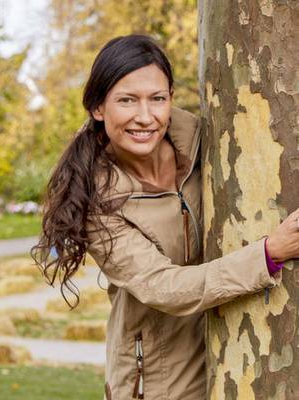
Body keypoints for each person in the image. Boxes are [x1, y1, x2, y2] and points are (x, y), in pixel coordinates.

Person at [32, 35, 299, 400]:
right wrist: (268, 253)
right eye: (127, 100)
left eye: (157, 98)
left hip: (237, 350)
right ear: (97, 108)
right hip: (158, 377)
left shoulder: (211, 135)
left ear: (171, 98)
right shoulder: (95, 201)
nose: (145, 117)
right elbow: (165, 287)